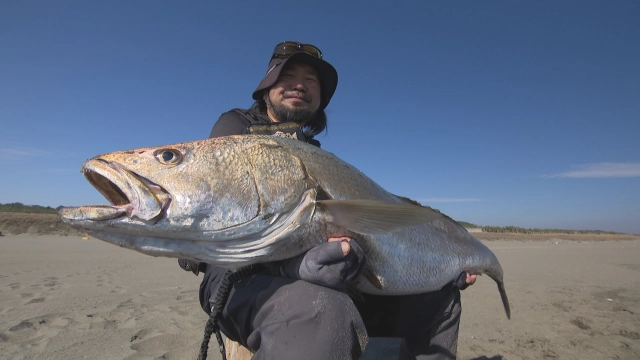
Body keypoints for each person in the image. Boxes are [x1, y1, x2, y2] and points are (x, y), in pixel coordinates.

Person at [179, 41, 476, 360]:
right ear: (267, 86)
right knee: (322, 310)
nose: (299, 86)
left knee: (437, 298)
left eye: (311, 81)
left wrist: (436, 264)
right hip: (238, 275)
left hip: (325, 271)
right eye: (287, 75)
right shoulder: (235, 129)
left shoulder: (320, 158)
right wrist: (292, 265)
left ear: (321, 99)